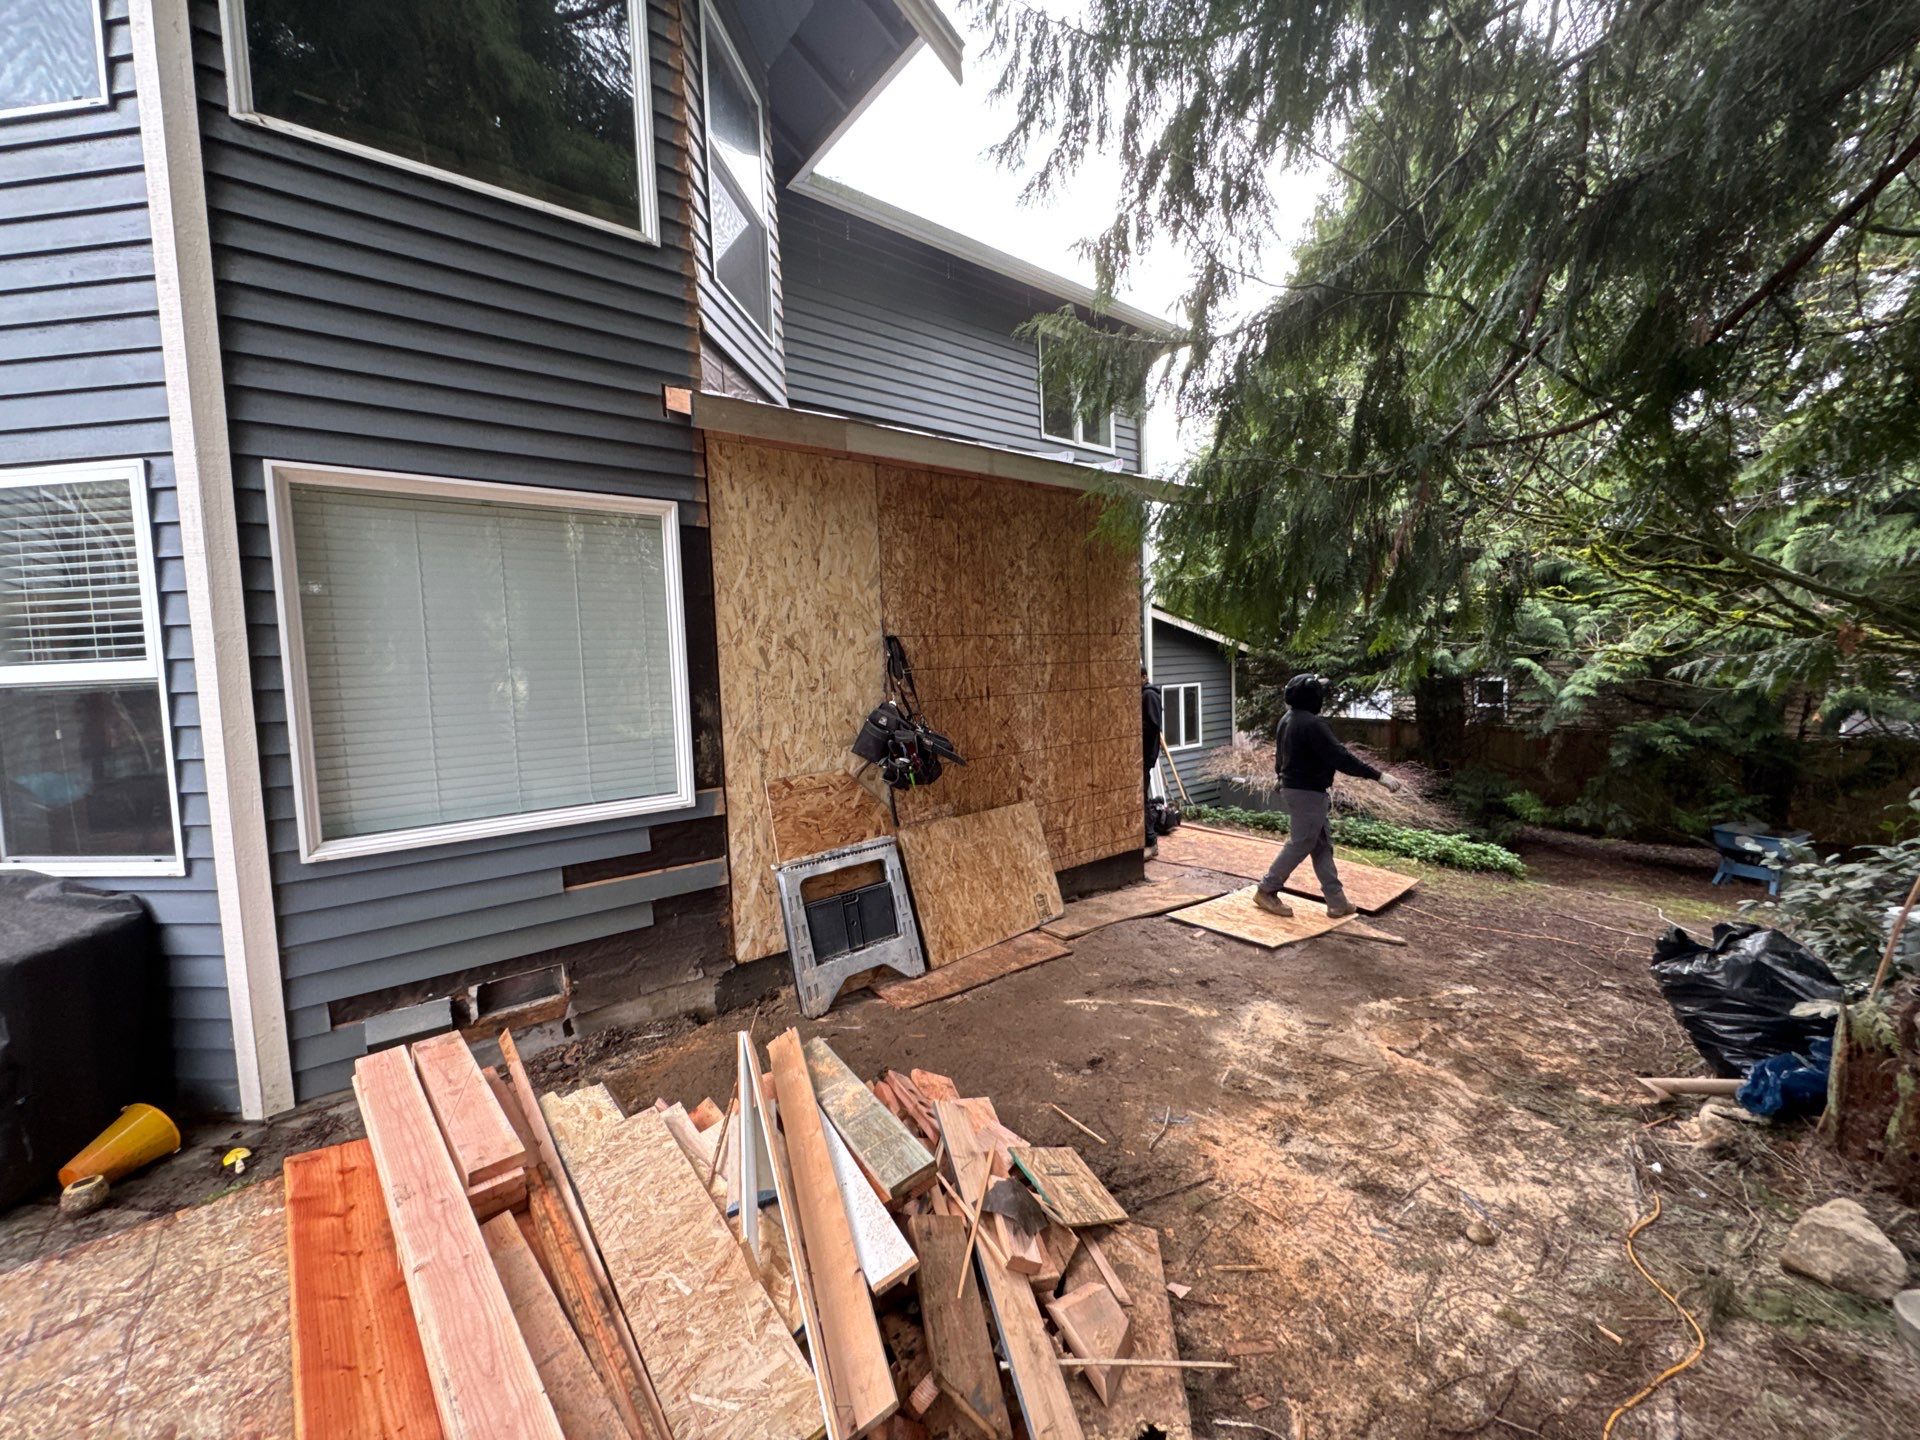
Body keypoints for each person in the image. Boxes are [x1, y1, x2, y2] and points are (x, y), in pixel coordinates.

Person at [1254, 673, 1401, 919]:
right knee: (1301, 843)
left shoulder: (1287, 719)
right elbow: (1341, 757)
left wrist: (1282, 778)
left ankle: (1337, 901)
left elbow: (1280, 758)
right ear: (1313, 697)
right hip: (1307, 793)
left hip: (1297, 789)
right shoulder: (1313, 724)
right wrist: (1378, 776)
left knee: (1321, 845)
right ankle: (1266, 890)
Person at [1141, 667, 1164, 859]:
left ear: (1143, 677)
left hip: (1144, 755)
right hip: (1139, 756)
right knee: (1141, 797)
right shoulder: (1143, 694)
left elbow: (1152, 725)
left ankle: (1151, 842)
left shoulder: (1149, 695)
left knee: (1143, 798)